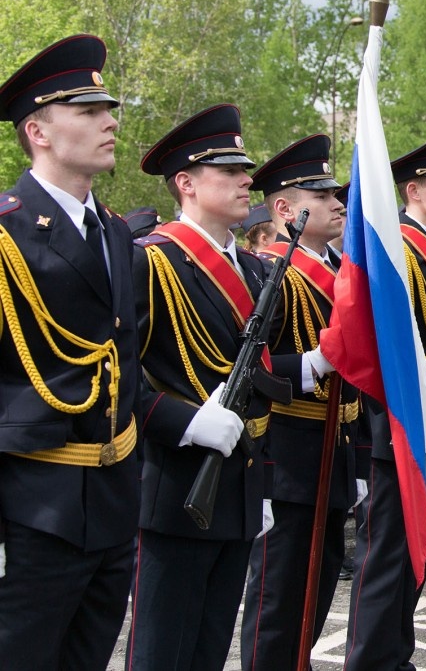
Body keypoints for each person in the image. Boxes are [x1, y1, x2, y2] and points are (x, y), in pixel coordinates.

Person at [0, 34, 141, 670]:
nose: (109, 121)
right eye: (87, 111)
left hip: (111, 501)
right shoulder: (5, 232)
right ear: (40, 131)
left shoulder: (113, 231)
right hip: (32, 509)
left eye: (106, 108)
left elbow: (123, 357)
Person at [128, 104, 274, 670]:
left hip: (237, 486)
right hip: (175, 484)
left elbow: (258, 382)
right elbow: (119, 381)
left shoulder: (254, 269)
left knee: (210, 647)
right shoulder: (153, 262)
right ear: (186, 184)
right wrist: (182, 420)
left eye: (246, 171)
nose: (246, 181)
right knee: (164, 650)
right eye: (230, 172)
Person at [336, 131, 426, 671]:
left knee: (419, 549)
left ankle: (396, 655)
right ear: (413, 190)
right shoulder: (398, 250)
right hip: (400, 425)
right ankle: (369, 661)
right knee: (388, 554)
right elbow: (384, 342)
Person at [240, 134, 361, 669]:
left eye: (336, 193)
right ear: (284, 209)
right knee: (279, 594)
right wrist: (314, 363)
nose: (338, 203)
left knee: (317, 588)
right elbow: (247, 366)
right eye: (322, 193)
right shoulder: (270, 271)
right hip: (285, 454)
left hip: (333, 448)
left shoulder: (336, 271)